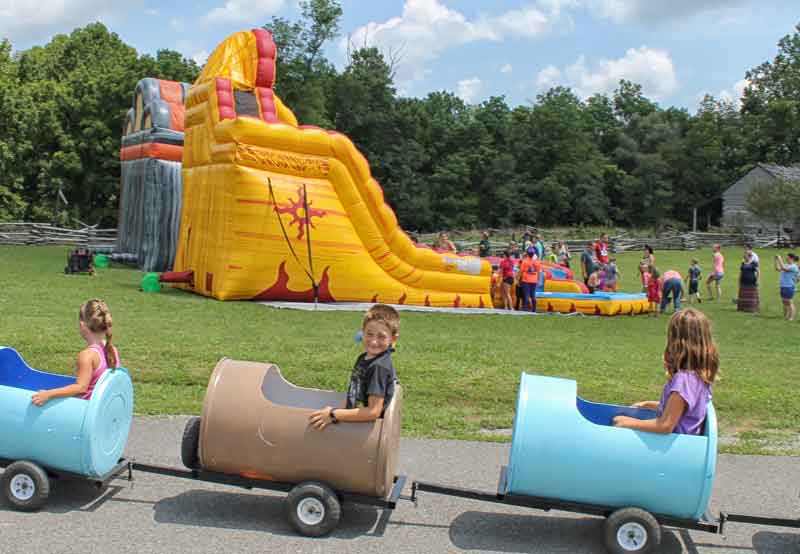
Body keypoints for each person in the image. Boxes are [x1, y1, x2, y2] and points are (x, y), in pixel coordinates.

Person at [613, 308, 719, 435]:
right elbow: (678, 410)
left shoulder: (684, 380)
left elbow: (665, 425)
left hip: (673, 447)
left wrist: (626, 422)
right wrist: (646, 404)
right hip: (681, 443)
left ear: (676, 342)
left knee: (617, 420)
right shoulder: (698, 376)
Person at [309, 304, 399, 430]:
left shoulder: (379, 367)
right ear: (362, 333)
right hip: (358, 420)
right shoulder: (364, 358)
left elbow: (373, 412)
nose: (374, 341)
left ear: (393, 338)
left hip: (368, 430)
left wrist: (333, 414)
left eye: (381, 336)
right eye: (369, 334)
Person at [31, 299, 119, 406]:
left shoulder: (87, 356)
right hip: (104, 406)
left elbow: (81, 387)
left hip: (85, 410)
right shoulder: (111, 349)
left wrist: (48, 394)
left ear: (82, 325)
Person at [775, 253, 799, 321]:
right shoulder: (786, 265)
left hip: (789, 286)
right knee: (784, 301)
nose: (786, 259)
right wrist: (776, 260)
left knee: (789, 301)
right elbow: (777, 269)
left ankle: (791, 317)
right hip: (783, 286)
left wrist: (780, 258)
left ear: (792, 259)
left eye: (788, 258)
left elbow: (783, 268)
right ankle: (786, 316)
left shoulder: (794, 266)